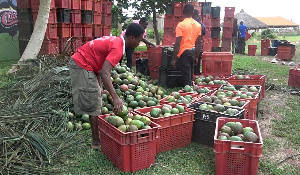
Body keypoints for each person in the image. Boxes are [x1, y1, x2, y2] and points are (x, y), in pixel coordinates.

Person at [69, 23, 145, 150]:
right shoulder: (118, 49)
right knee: (95, 103)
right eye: (139, 41)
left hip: (85, 63)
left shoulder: (116, 40)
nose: (138, 44)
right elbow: (105, 71)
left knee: (96, 95)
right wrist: (115, 97)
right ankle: (96, 142)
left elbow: (97, 62)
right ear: (131, 38)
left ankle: (96, 137)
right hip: (81, 64)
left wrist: (99, 85)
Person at [172, 3, 202, 86]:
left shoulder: (181, 25)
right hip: (193, 51)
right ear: (193, 12)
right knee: (190, 73)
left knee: (186, 77)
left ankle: (189, 93)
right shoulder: (198, 25)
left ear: (183, 11)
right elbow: (198, 42)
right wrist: (197, 56)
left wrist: (174, 58)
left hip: (184, 52)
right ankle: (190, 88)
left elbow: (178, 43)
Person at [192, 9, 206, 76]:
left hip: (191, 47)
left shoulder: (192, 24)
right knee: (197, 66)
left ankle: (191, 80)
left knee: (190, 66)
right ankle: (196, 79)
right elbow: (203, 34)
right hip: (199, 47)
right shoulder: (202, 25)